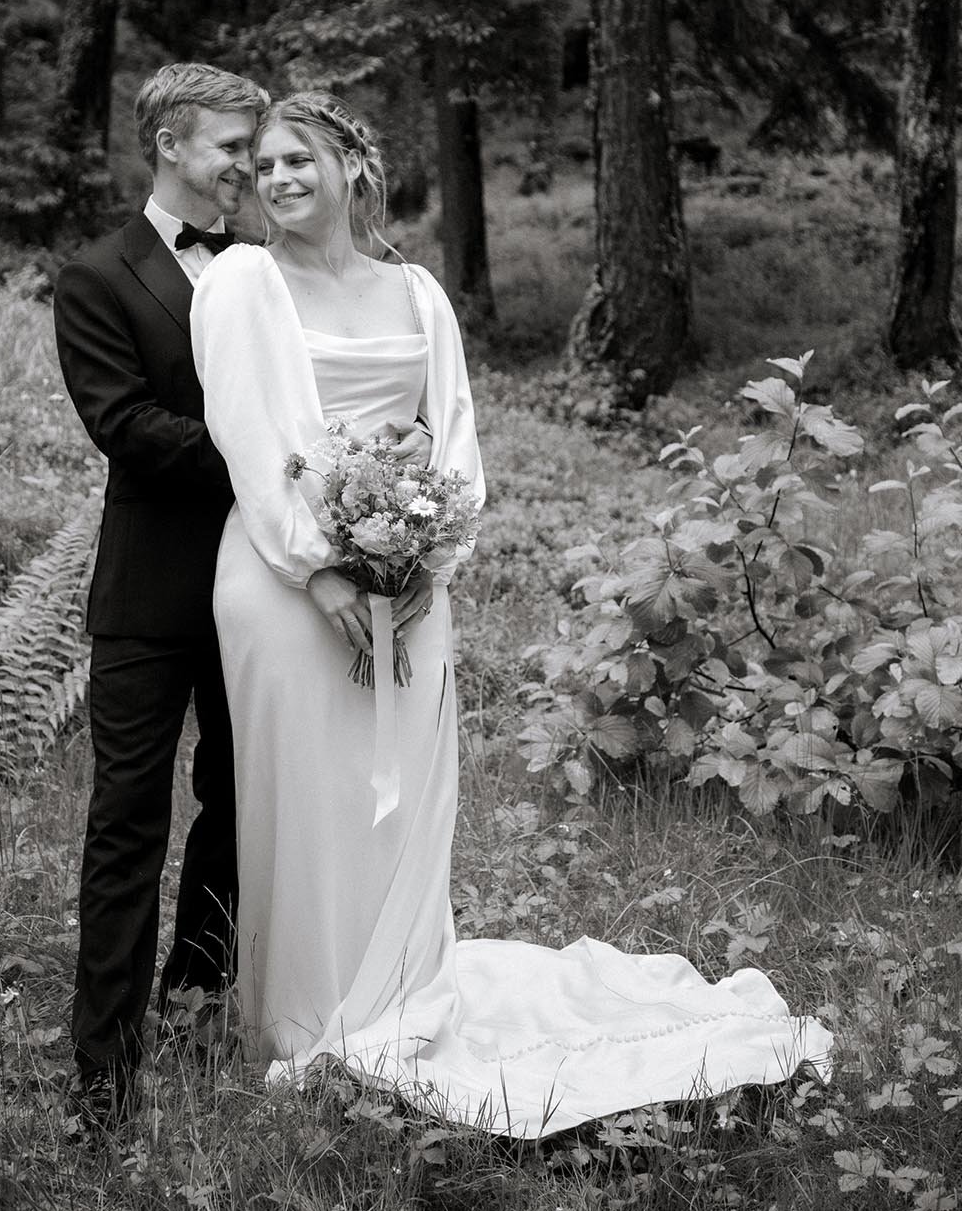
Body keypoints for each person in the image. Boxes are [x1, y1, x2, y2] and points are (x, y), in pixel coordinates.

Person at [190, 91, 832, 1137]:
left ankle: (398, 987)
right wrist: (322, 569)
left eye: (298, 159)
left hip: (406, 576)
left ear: (354, 166)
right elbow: (254, 439)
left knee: (396, 785)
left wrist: (425, 552)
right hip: (282, 579)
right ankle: (306, 1014)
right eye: (262, 167)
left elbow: (451, 436)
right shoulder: (241, 282)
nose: (277, 181)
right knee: (307, 789)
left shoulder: (416, 291)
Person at [53, 61, 269, 1124]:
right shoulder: (97, 275)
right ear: (174, 142)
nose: (249, 166)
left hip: (259, 590)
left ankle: (198, 1002)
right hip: (144, 595)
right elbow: (126, 430)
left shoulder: (267, 271)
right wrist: (267, 456)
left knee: (237, 812)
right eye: (233, 146)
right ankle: (104, 1072)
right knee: (126, 824)